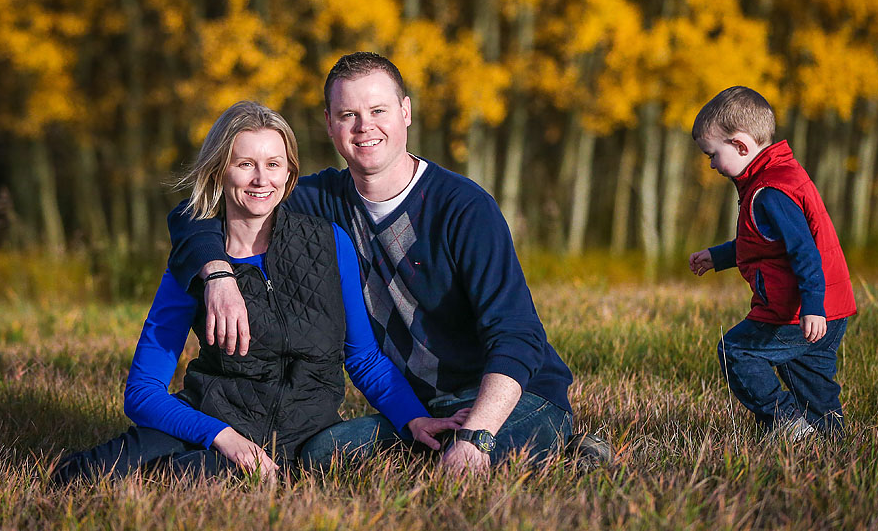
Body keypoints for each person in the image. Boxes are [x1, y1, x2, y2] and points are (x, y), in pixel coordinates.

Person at [167, 52, 609, 473]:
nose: (365, 128)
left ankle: (556, 448)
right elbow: (202, 209)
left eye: (378, 111)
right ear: (329, 124)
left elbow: (518, 335)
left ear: (406, 113)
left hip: (510, 400)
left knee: (462, 455)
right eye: (348, 116)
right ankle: (471, 455)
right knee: (321, 455)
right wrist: (219, 274)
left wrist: (477, 435)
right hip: (419, 412)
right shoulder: (317, 202)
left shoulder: (463, 207)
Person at [53, 101, 465, 483]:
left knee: (178, 481)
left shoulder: (329, 242)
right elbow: (142, 392)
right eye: (245, 163)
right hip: (211, 418)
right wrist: (223, 435)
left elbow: (363, 357)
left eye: (273, 164)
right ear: (220, 171)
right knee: (85, 473)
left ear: (289, 173)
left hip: (301, 436)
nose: (260, 179)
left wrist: (413, 418)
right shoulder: (196, 260)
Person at [688, 86, 856, 439]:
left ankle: (785, 422)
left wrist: (811, 306)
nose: (711, 164)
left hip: (797, 313)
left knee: (736, 351)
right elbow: (764, 244)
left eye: (713, 154)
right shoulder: (778, 176)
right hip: (829, 309)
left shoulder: (770, 192)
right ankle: (830, 438)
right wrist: (717, 257)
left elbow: (804, 252)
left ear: (740, 145)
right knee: (811, 381)